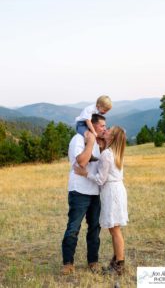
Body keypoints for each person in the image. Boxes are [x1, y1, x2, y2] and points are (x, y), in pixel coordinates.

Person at [74, 126, 128, 276]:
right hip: (118, 189)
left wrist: (85, 173)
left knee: (114, 230)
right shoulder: (116, 152)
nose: (107, 130)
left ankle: (119, 264)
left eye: (110, 130)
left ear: (112, 137)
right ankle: (117, 260)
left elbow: (100, 179)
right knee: (115, 229)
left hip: (111, 191)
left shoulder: (106, 154)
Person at [61, 114, 107, 275]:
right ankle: (68, 263)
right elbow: (82, 161)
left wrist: (99, 144)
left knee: (94, 228)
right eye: (101, 126)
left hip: (95, 191)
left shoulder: (98, 142)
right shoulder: (78, 139)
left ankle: (93, 261)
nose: (104, 129)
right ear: (92, 126)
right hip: (79, 191)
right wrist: (91, 142)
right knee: (74, 227)